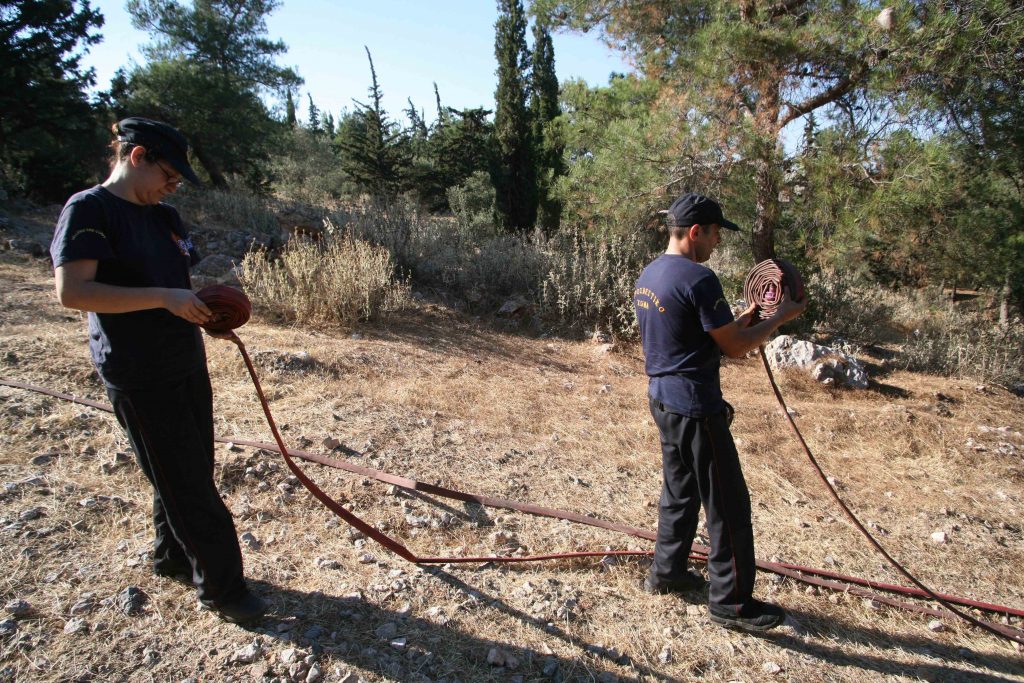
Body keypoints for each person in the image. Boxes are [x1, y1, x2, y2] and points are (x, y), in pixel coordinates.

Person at [49, 117, 266, 623]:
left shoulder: (166, 217)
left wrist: (202, 310)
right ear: (137, 155)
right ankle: (225, 590)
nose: (173, 186)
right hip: (137, 370)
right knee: (189, 484)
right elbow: (72, 292)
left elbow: (173, 287)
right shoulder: (90, 210)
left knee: (184, 470)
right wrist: (163, 298)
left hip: (184, 359)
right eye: (169, 173)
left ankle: (171, 557)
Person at [633, 192, 806, 632]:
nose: (716, 243)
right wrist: (780, 317)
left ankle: (667, 573)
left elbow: (699, 333)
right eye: (713, 234)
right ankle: (731, 603)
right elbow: (735, 348)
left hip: (663, 399)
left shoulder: (651, 273)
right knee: (727, 504)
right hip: (696, 407)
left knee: (679, 491)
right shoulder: (699, 277)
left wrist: (745, 317)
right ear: (695, 232)